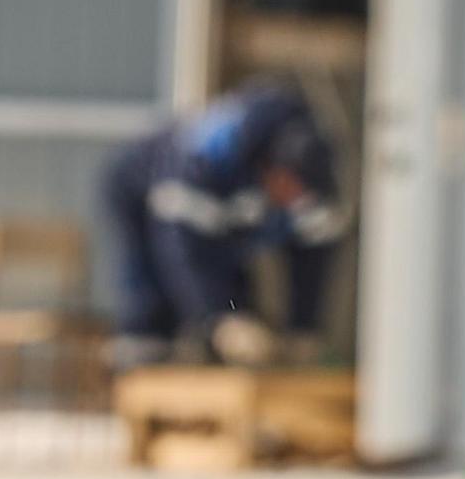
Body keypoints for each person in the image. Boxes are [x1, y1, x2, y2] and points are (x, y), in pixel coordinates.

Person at [97, 77, 350, 366]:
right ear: (273, 168)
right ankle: (145, 357)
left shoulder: (310, 176)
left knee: (239, 302)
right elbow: (182, 251)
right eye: (289, 189)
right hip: (140, 191)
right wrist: (218, 320)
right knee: (157, 303)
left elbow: (312, 257)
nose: (292, 200)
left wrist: (303, 329)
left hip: (219, 223)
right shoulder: (210, 156)